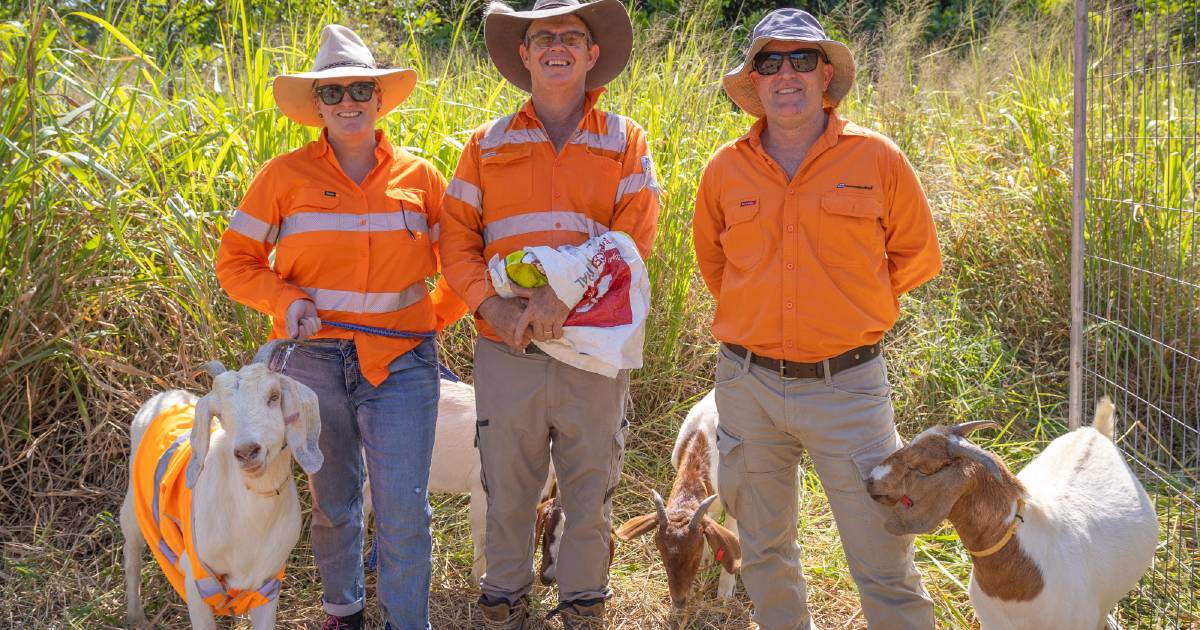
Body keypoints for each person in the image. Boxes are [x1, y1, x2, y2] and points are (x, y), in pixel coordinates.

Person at [692, 9, 942, 630]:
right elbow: (715, 264)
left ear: (825, 74)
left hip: (849, 391)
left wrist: (854, 307)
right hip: (747, 388)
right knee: (766, 551)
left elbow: (918, 254)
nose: (786, 74)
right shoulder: (724, 169)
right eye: (769, 62)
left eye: (801, 59)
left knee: (883, 555)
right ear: (754, 80)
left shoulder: (877, 158)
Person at [215, 24, 465, 630]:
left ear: (380, 99)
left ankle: (407, 622)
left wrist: (427, 323)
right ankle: (344, 612)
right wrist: (285, 299)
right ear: (317, 106)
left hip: (403, 366)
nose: (348, 101)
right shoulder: (282, 177)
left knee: (404, 509)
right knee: (333, 504)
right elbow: (236, 263)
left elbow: (460, 263)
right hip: (312, 365)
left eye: (360, 89)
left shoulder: (421, 178)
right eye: (333, 93)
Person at [439, 0, 659, 627]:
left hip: (593, 348)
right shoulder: (486, 144)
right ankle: (503, 598)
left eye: (572, 35)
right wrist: (488, 304)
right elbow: (456, 238)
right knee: (507, 487)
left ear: (592, 55)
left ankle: (584, 602)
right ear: (524, 55)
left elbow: (634, 231)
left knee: (589, 490)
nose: (557, 45)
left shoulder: (624, 139)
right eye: (543, 37)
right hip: (508, 348)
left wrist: (563, 295)